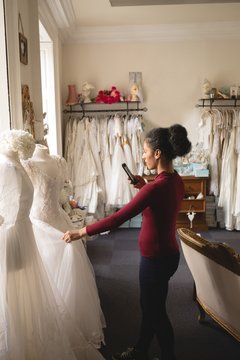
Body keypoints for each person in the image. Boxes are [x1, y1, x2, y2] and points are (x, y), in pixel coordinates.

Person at [62, 124, 192, 360]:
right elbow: (161, 205)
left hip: (155, 258)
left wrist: (81, 231)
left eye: (145, 151)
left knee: (155, 312)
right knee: (151, 308)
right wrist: (144, 186)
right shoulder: (176, 180)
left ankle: (167, 356)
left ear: (158, 153)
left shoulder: (155, 188)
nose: (143, 156)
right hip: (168, 254)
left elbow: (117, 219)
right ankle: (140, 350)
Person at [0, 129, 105, 360]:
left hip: (55, 219)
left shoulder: (56, 161)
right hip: (38, 223)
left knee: (57, 273)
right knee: (42, 278)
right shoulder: (23, 164)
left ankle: (67, 317)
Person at [23, 143, 106, 348]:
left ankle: (58, 322)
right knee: (54, 270)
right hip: (52, 221)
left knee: (51, 272)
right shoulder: (56, 162)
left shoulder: (30, 164)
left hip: (41, 221)